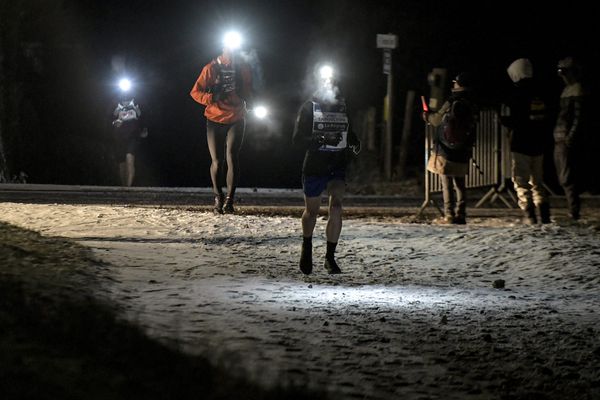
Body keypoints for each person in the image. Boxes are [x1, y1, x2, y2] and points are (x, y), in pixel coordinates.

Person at [292, 65, 361, 275]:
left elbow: (348, 130)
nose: (330, 85)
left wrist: (354, 142)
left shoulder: (343, 106)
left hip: (337, 165)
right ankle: (307, 247)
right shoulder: (308, 108)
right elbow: (296, 140)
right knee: (311, 212)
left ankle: (330, 258)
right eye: (325, 81)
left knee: (337, 207)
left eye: (333, 81)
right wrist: (321, 138)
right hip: (315, 165)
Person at [190, 32, 253, 214]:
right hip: (214, 118)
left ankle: (229, 200)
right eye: (229, 47)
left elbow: (249, 91)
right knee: (217, 161)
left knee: (233, 156)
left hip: (237, 117)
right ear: (223, 47)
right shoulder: (212, 68)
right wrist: (211, 97)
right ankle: (218, 196)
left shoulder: (243, 68)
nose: (232, 50)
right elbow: (195, 92)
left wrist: (249, 99)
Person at [501, 58, 552, 224]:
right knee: (538, 181)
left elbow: (506, 118)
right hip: (539, 143)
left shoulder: (514, 94)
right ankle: (544, 214)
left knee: (521, 181)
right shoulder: (542, 91)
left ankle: (530, 215)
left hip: (520, 143)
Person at [423, 72, 477, 224]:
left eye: (455, 82)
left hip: (446, 149)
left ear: (458, 84)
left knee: (446, 183)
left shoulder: (452, 101)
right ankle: (461, 214)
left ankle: (449, 215)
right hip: (464, 148)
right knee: (460, 184)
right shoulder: (471, 102)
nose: (453, 84)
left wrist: (427, 117)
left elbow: (437, 119)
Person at [553, 56, 586, 220]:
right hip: (560, 136)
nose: (562, 76)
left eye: (563, 72)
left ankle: (574, 210)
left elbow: (578, 117)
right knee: (562, 174)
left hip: (565, 137)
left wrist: (571, 136)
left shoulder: (577, 89)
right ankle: (572, 208)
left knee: (567, 175)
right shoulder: (567, 90)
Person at [111, 85, 148, 187]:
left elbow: (144, 117)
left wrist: (144, 130)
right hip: (119, 137)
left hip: (133, 136)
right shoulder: (115, 106)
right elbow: (110, 120)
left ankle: (128, 188)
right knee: (122, 164)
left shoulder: (137, 104)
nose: (125, 98)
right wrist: (115, 123)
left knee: (129, 158)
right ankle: (124, 188)